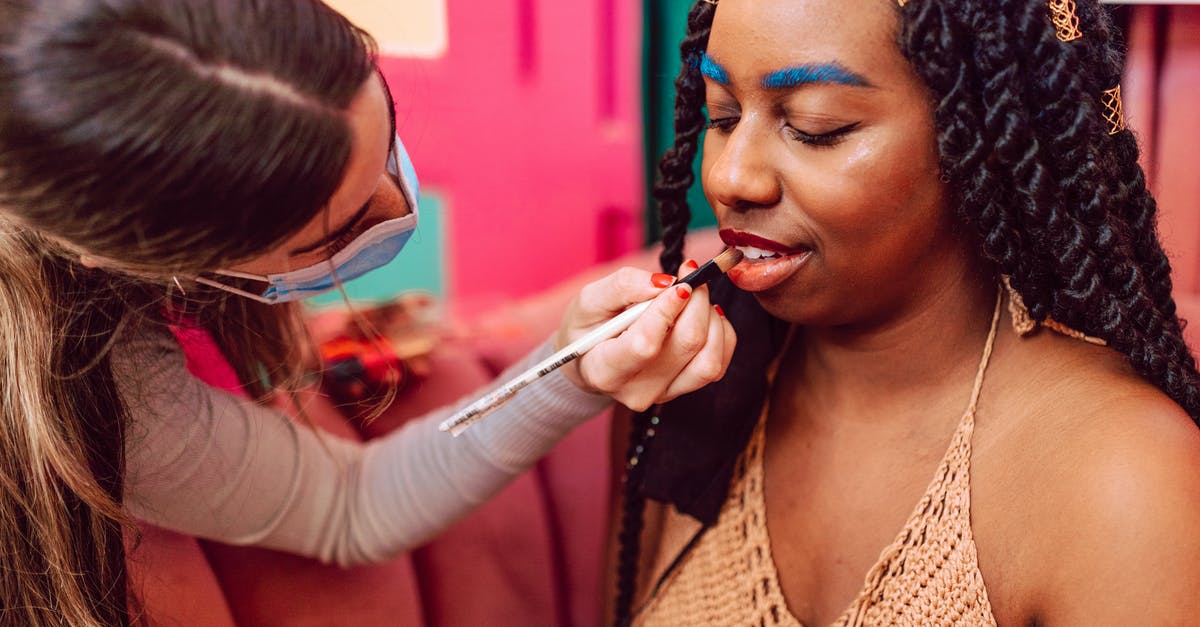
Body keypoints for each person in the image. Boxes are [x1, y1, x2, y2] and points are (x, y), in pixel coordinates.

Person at [0, 1, 738, 624]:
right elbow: (354, 505)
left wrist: (567, 351)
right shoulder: (112, 402)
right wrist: (572, 376)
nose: (399, 204)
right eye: (339, 232)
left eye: (387, 136)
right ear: (139, 260)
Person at [610, 0, 1200, 624]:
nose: (730, 177)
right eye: (721, 115)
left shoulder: (1121, 482)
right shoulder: (686, 380)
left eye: (817, 126)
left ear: (989, 138)